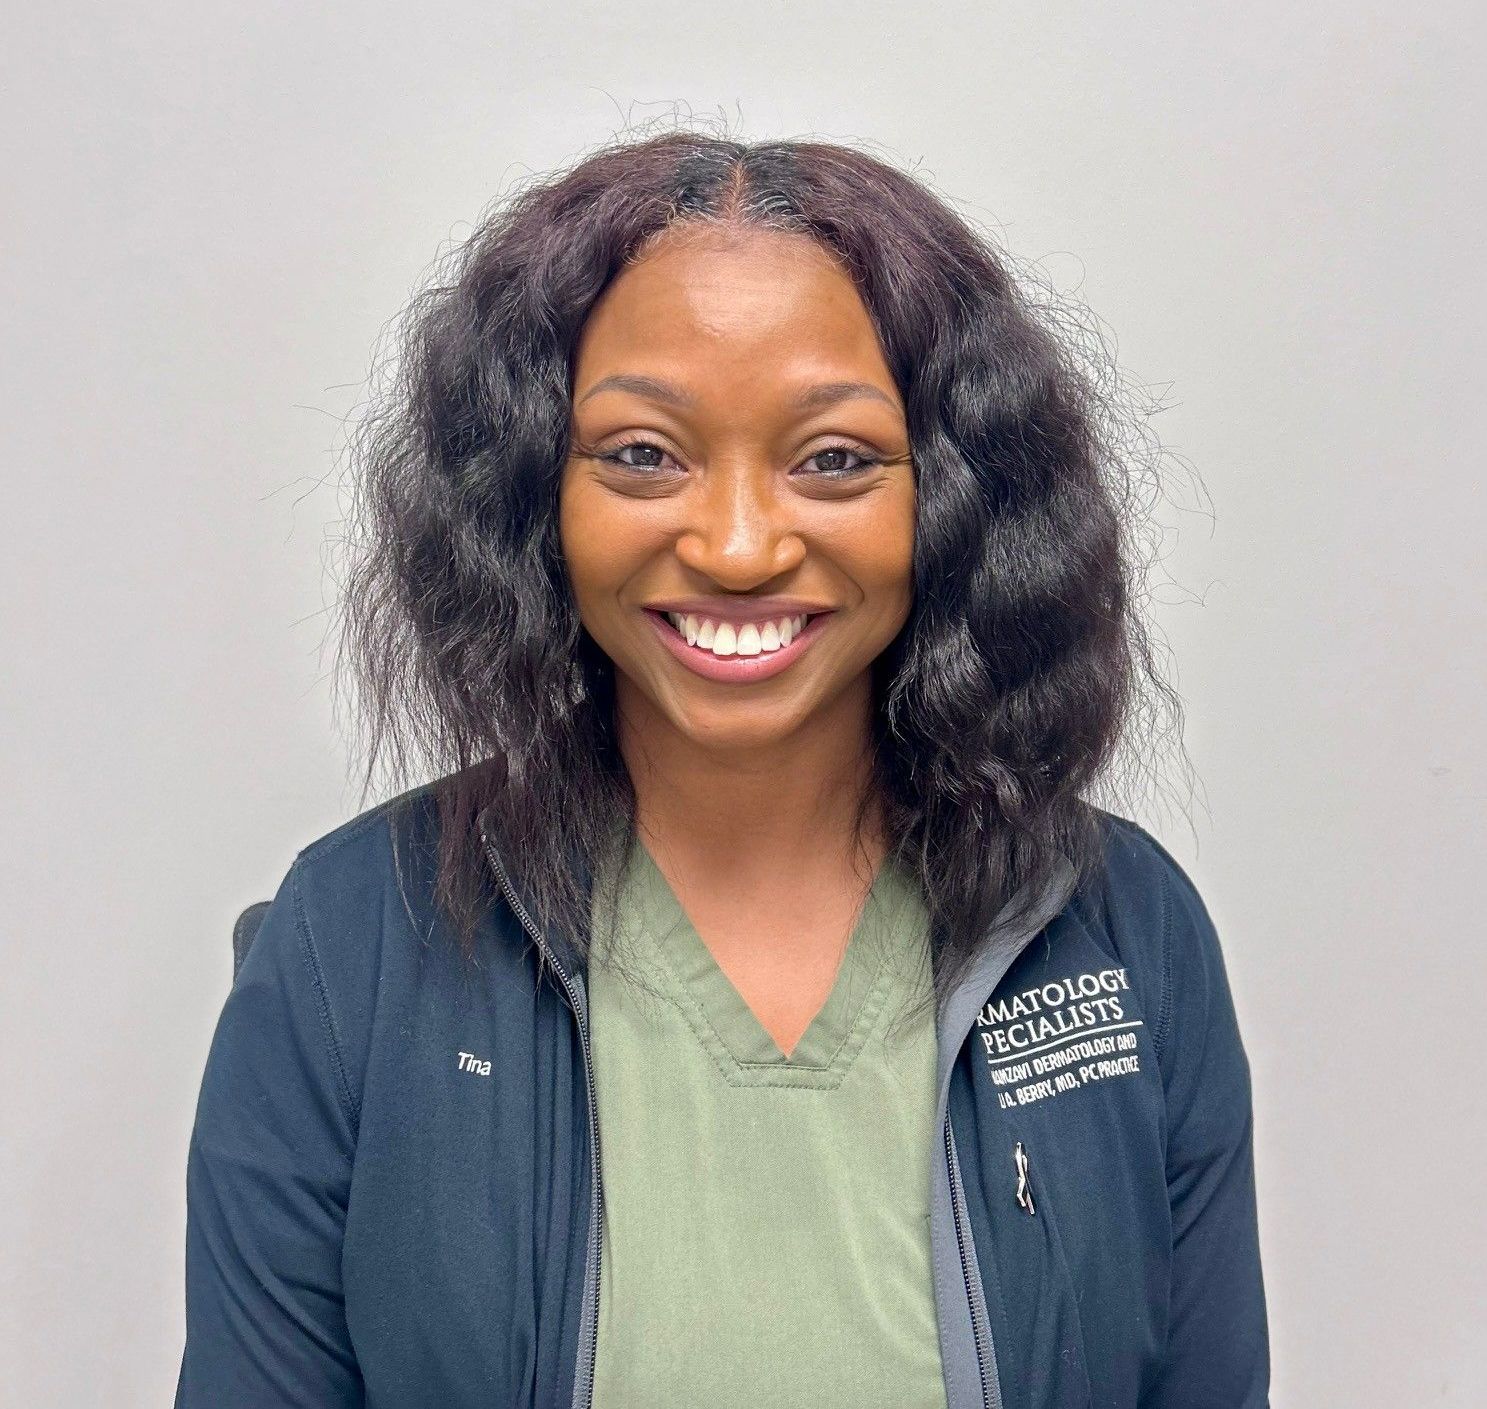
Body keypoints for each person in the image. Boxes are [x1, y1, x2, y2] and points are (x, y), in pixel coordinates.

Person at [175, 129, 1269, 1409]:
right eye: (642, 453)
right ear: (534, 493)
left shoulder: (1123, 929)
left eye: (833, 459)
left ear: (958, 500)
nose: (739, 545)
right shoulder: (351, 939)